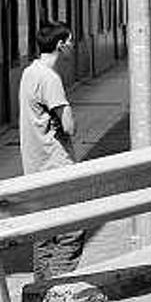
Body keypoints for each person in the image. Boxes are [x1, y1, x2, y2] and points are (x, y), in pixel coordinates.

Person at [19, 21, 84, 281]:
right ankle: (58, 289)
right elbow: (69, 126)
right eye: (70, 41)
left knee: (44, 238)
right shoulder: (50, 78)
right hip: (57, 167)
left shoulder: (29, 73)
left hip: (34, 168)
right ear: (60, 45)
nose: (72, 46)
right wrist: (67, 116)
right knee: (71, 232)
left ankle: (38, 291)